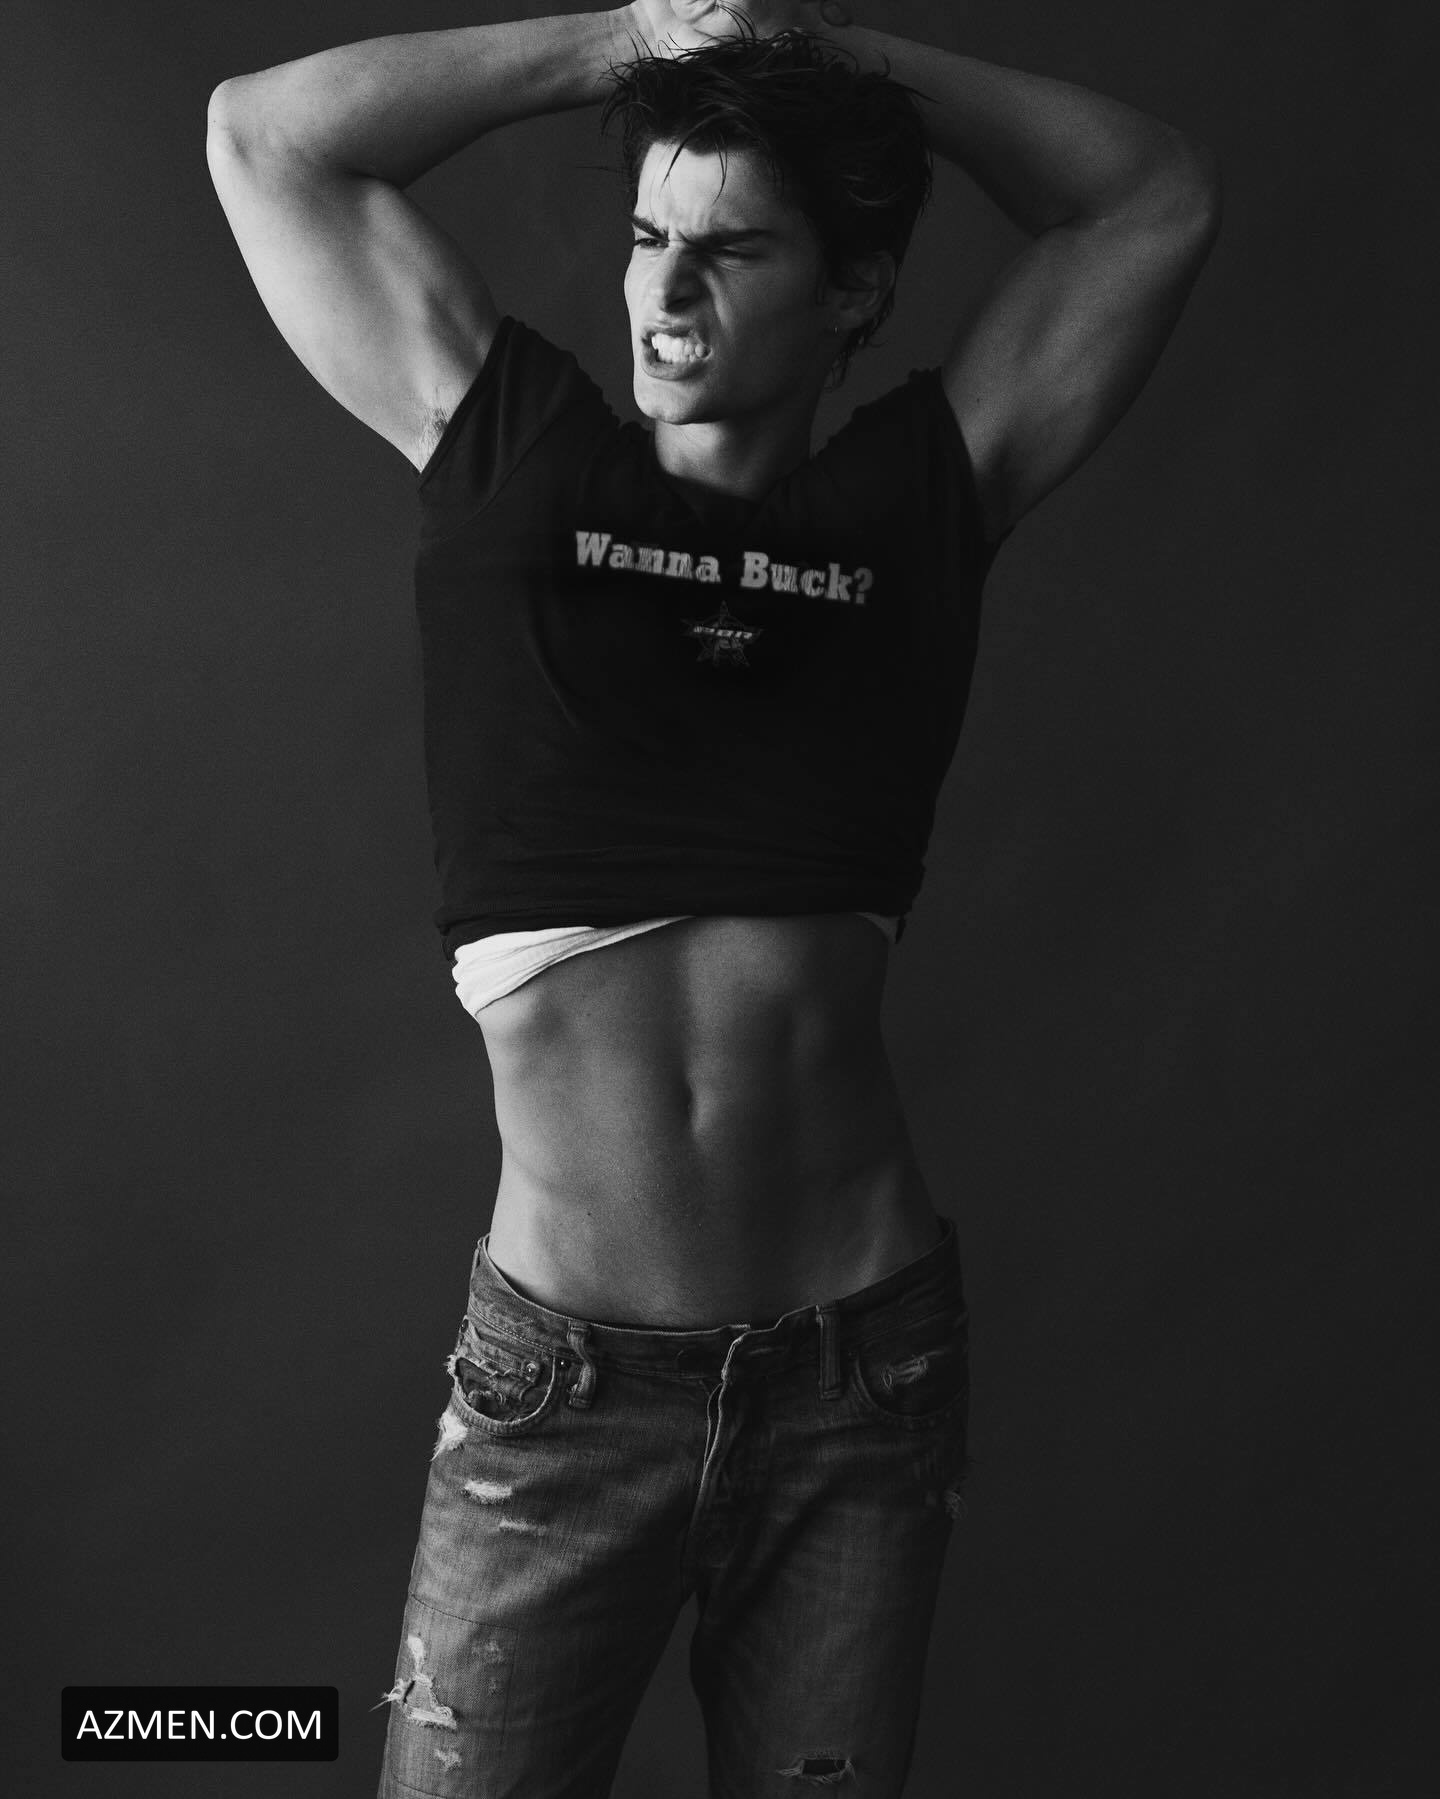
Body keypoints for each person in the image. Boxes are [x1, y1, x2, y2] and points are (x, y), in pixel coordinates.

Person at [206, 3, 1219, 1793]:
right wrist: (634, 37)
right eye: (648, 236)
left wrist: (825, 53)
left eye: (734, 249)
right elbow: (266, 138)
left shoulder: (920, 503)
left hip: (859, 1381)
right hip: (563, 1399)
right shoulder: (507, 449)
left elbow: (1151, 197)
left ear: (852, 291)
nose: (666, 291)